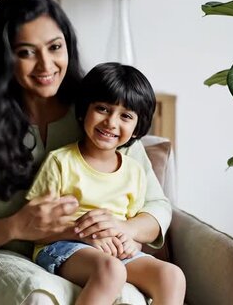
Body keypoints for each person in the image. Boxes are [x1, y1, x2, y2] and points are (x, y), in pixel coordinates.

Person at [0, 0, 172, 305]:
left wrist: (125, 227)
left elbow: (158, 206)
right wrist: (15, 227)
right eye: (26, 52)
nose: (45, 65)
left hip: (93, 260)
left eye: (55, 47)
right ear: (3, 58)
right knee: (40, 298)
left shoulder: (100, 113)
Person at [26, 63, 186, 305]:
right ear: (83, 111)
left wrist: (130, 238)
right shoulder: (61, 162)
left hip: (115, 250)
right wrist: (85, 235)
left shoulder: (134, 170)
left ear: (136, 129)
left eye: (125, 116)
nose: (111, 122)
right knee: (111, 271)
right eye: (102, 108)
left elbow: (133, 224)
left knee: (172, 276)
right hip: (63, 247)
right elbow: (35, 224)